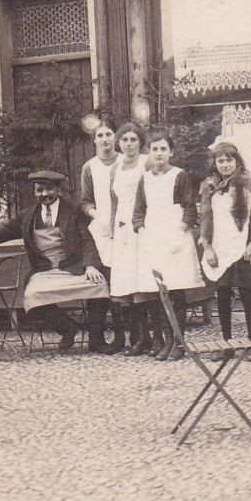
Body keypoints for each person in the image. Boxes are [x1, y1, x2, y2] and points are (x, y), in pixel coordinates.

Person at [0, 170, 107, 352]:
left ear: (58, 190)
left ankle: (96, 341)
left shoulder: (74, 211)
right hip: (44, 271)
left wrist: (90, 266)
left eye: (49, 189)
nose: (44, 194)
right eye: (39, 190)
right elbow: (4, 230)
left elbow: (86, 240)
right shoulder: (27, 216)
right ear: (35, 192)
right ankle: (67, 328)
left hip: (73, 268)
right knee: (32, 296)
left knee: (99, 285)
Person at [132, 128, 204, 361]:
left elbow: (190, 208)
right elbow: (139, 211)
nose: (159, 153)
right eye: (155, 149)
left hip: (175, 238)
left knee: (175, 291)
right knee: (156, 293)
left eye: (164, 149)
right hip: (152, 238)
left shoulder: (180, 176)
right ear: (149, 153)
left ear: (171, 152)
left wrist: (179, 234)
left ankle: (179, 343)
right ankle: (164, 340)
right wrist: (142, 232)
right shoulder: (145, 179)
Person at [198, 140, 251, 363]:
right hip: (219, 246)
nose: (225, 164)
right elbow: (205, 218)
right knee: (223, 295)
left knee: (246, 294)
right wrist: (207, 246)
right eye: (221, 161)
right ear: (215, 164)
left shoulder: (249, 184)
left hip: (241, 246)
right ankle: (227, 344)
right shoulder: (208, 187)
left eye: (229, 160)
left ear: (237, 162)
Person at [105, 122, 152, 355]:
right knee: (127, 283)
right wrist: (114, 229)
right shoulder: (116, 167)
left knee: (143, 281)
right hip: (123, 230)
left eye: (133, 140)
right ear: (118, 143)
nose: (129, 144)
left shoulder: (147, 163)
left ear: (140, 142)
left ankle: (149, 337)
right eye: (125, 140)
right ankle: (138, 336)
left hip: (143, 227)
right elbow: (115, 202)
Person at [77, 117, 122, 352]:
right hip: (99, 231)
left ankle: (123, 337)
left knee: (120, 285)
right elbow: (84, 202)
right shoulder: (89, 167)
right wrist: (97, 215)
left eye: (108, 134)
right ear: (94, 140)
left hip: (123, 232)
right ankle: (96, 339)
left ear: (115, 137)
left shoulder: (126, 162)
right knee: (99, 283)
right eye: (100, 136)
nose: (104, 139)